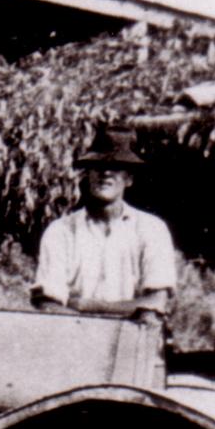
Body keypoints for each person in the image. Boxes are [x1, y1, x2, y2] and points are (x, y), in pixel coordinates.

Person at [31, 127, 176, 323]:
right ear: (88, 175)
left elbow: (155, 303)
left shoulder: (152, 230)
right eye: (97, 166)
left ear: (129, 179)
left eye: (116, 167)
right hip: (71, 341)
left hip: (130, 341)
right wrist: (129, 309)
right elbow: (49, 303)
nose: (106, 173)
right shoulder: (61, 231)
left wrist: (85, 305)